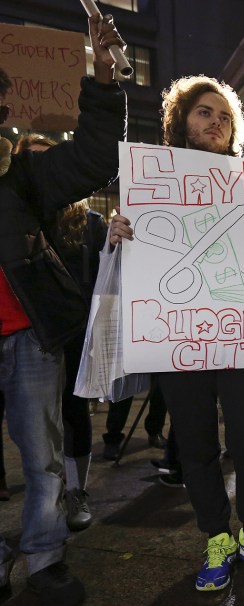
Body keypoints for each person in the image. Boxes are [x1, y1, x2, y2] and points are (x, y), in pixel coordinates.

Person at [108, 75, 244, 593]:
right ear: (181, 121)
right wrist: (118, 236)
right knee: (196, 444)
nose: (216, 122)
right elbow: (131, 261)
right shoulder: (154, 184)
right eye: (204, 112)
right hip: (181, 338)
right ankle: (216, 537)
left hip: (240, 335)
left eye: (224, 116)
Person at [0, 13, 127, 606]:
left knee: (44, 456)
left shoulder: (20, 177)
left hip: (26, 334)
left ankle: (44, 556)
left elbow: (95, 158)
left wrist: (102, 79)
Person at [13, 133, 109, 531]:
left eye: (46, 163)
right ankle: (46, 498)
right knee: (35, 426)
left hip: (72, 334)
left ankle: (76, 490)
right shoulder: (15, 215)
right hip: (25, 335)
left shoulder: (88, 222)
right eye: (30, 164)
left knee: (73, 414)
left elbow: (111, 272)